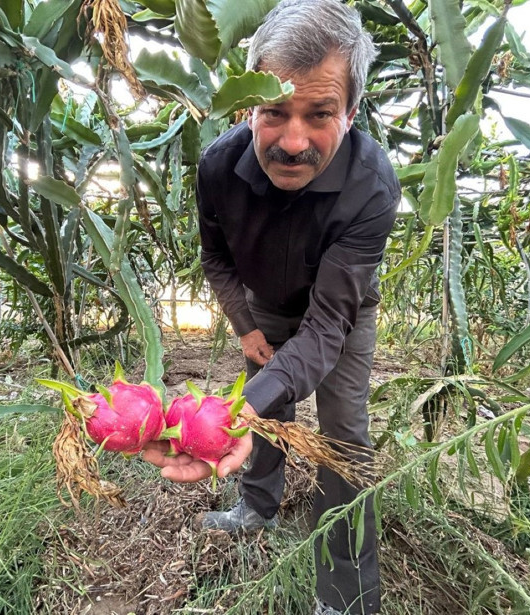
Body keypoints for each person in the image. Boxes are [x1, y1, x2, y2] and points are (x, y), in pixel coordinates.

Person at [143, 1, 400, 613]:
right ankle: (257, 507)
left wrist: (236, 406)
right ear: (249, 107)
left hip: (340, 316)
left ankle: (345, 592)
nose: (292, 141)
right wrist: (245, 326)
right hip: (263, 307)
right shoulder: (217, 166)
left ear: (351, 112)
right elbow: (216, 258)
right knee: (266, 410)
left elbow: (327, 325)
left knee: (344, 436)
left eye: (320, 114)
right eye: (275, 112)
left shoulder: (372, 186)